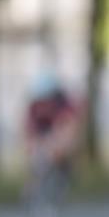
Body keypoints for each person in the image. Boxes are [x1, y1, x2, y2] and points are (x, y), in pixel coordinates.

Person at [23, 71, 79, 200]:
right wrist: (31, 144)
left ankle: (63, 175)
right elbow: (28, 129)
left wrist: (59, 143)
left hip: (58, 130)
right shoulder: (34, 107)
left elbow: (69, 126)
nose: (44, 104)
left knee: (60, 146)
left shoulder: (64, 105)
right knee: (34, 154)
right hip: (42, 132)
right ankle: (34, 183)